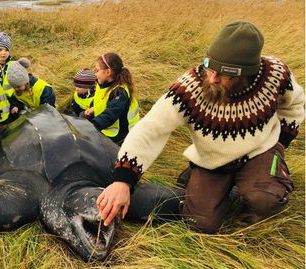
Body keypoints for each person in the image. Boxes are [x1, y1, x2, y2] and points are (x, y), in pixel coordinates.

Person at [96, 21, 305, 233]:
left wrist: (280, 143)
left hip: (261, 152)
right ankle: (202, 179)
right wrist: (123, 180)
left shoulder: (275, 73)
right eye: (209, 67)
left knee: (267, 199)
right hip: (214, 161)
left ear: (246, 73)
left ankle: (264, 182)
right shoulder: (190, 87)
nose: (212, 78)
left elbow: (295, 103)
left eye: (225, 75)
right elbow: (150, 128)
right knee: (201, 223)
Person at [84, 53, 140, 145]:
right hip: (106, 126)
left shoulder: (120, 92)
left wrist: (89, 127)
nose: (95, 73)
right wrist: (93, 108)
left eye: (97, 70)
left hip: (119, 133)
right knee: (83, 116)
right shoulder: (102, 83)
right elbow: (101, 100)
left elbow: (109, 116)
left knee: (89, 142)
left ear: (108, 72)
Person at [0, 32, 14, 97]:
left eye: (6, 50)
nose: (3, 53)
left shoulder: (12, 64)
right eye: (0, 49)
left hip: (10, 99)